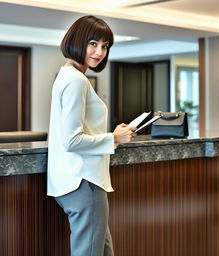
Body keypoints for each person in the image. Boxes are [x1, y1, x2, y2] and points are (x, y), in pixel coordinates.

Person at [47, 15, 136, 256]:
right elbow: (72, 140)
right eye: (93, 43)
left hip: (75, 182)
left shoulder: (67, 76)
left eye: (105, 46)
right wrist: (114, 138)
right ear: (78, 41)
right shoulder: (76, 80)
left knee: (104, 251)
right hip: (83, 183)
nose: (99, 52)